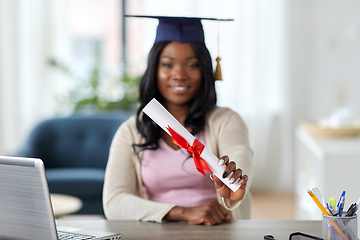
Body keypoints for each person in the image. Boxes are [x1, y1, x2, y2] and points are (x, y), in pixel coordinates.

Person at [103, 16, 254, 226]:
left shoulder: (226, 121)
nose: (179, 75)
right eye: (167, 64)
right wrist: (183, 212)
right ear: (154, 69)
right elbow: (114, 202)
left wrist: (236, 184)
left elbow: (240, 152)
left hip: (217, 231)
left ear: (204, 70)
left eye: (192, 65)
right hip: (155, 233)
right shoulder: (132, 130)